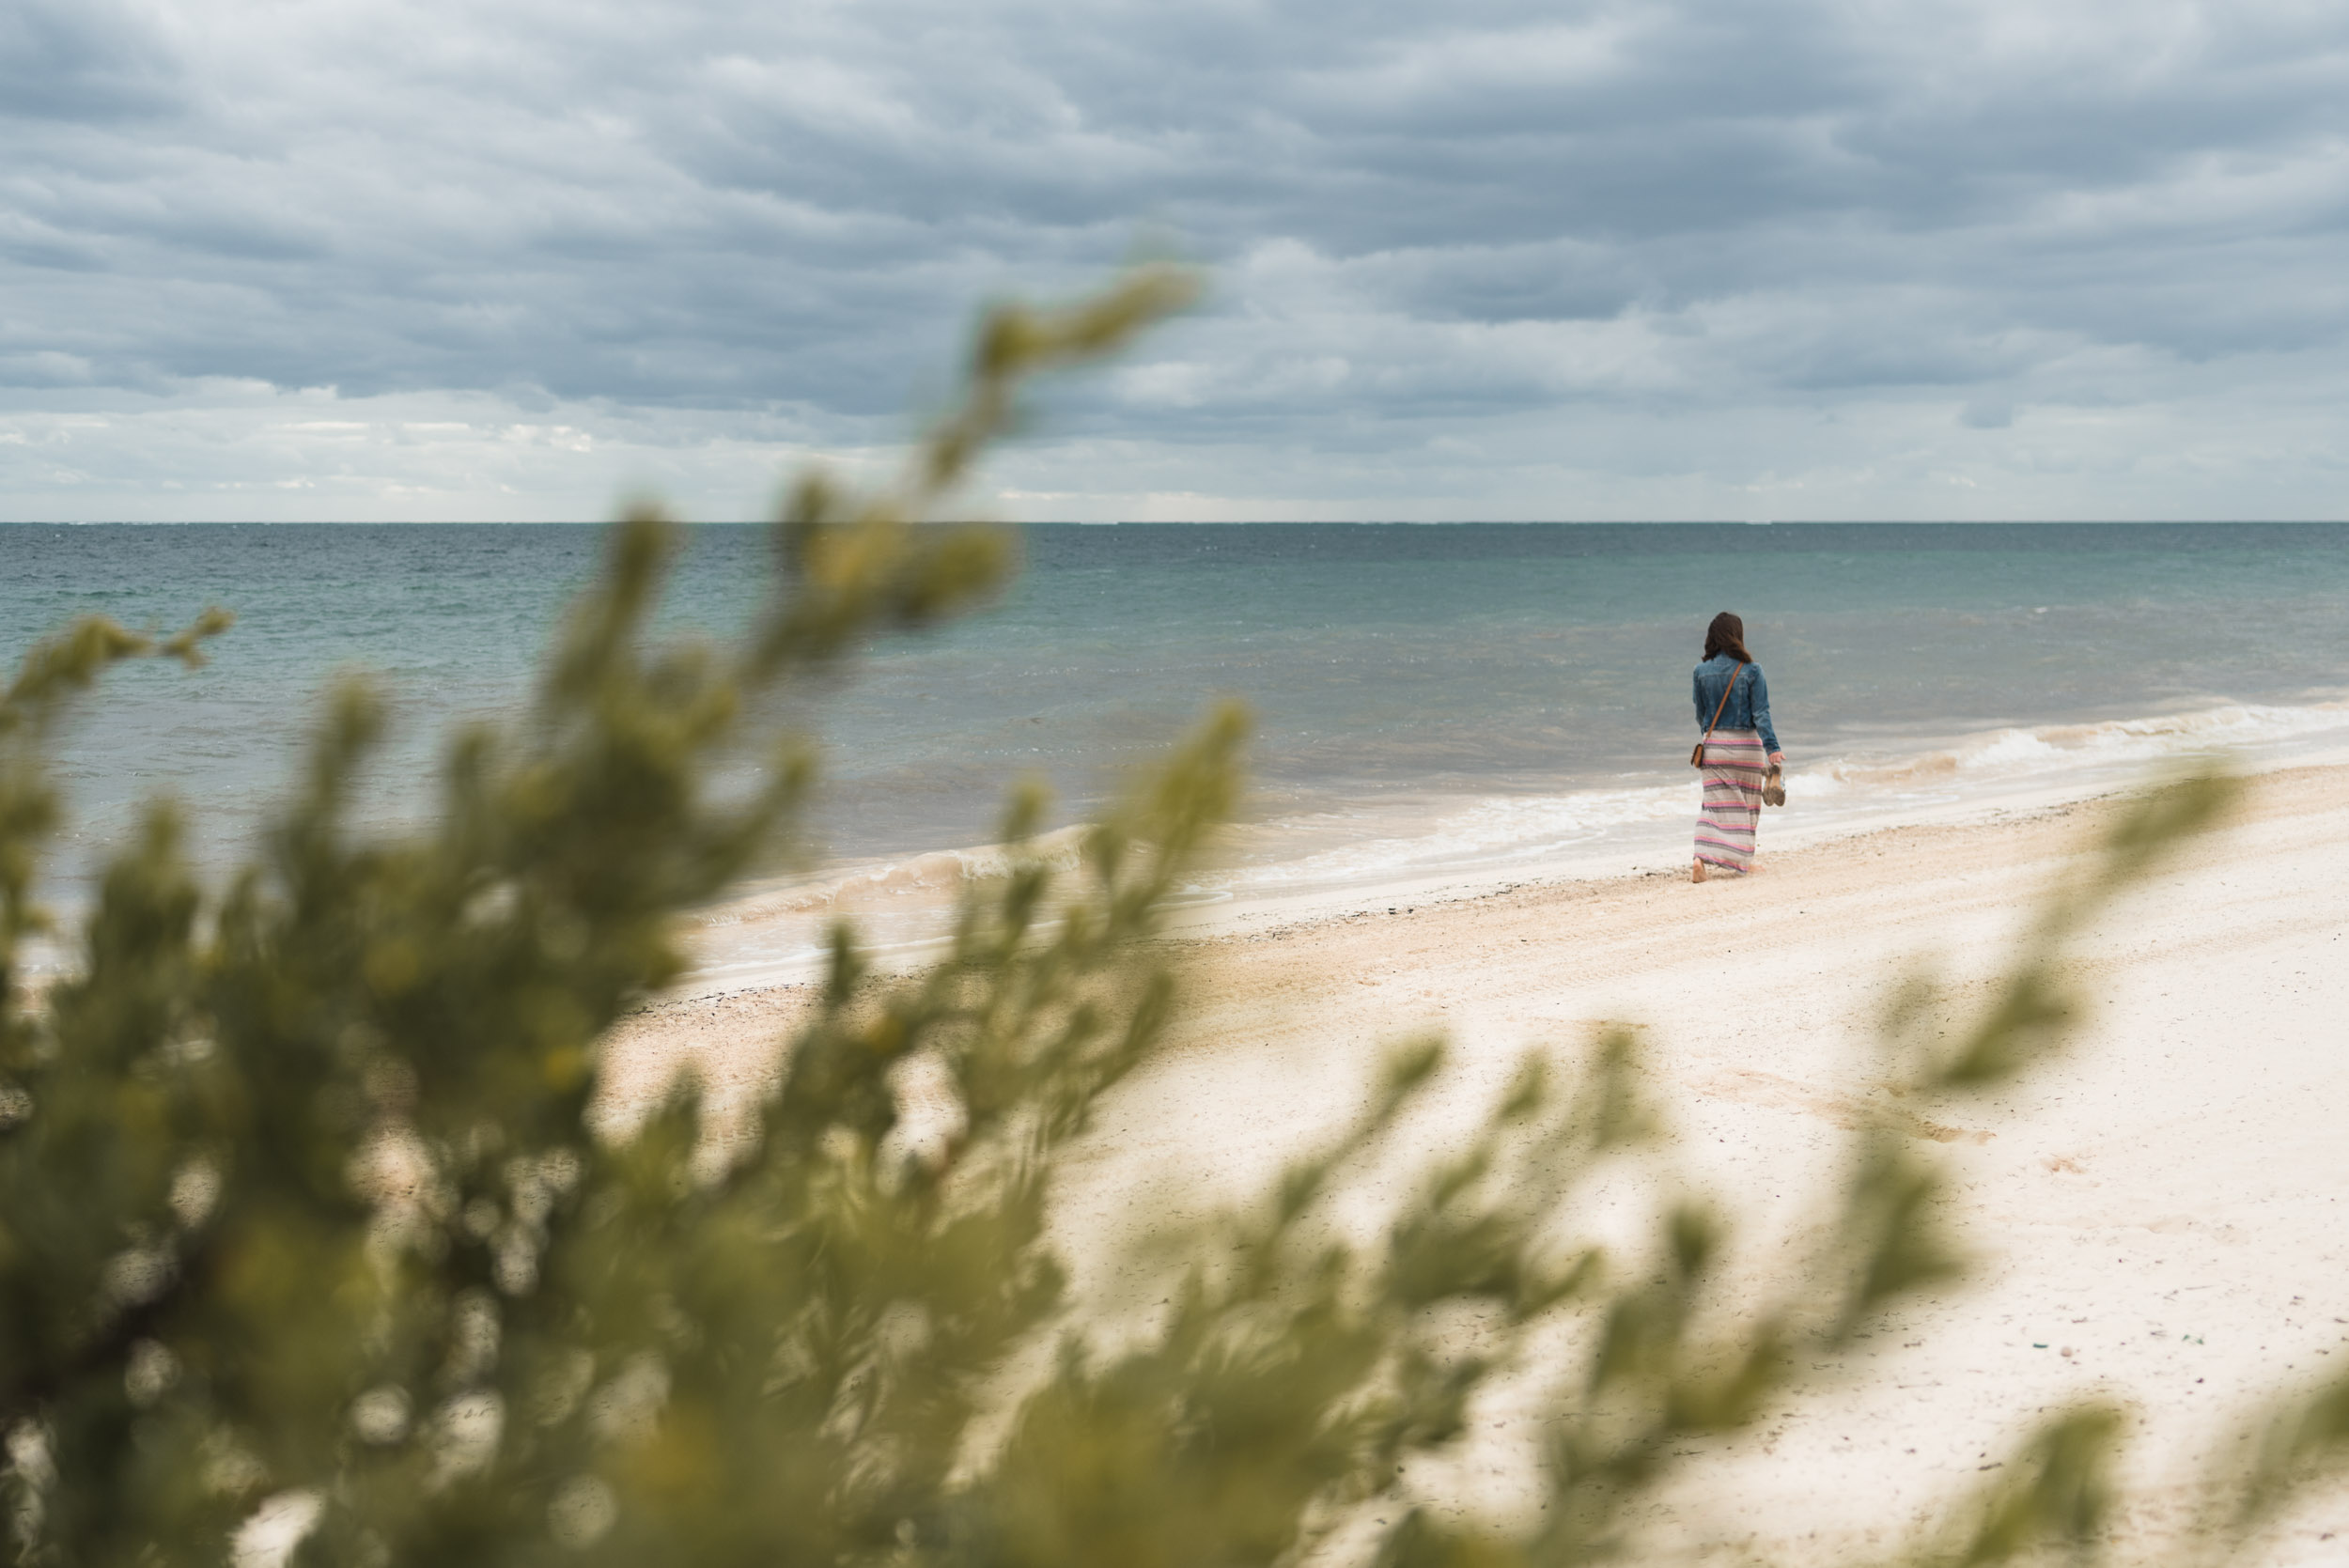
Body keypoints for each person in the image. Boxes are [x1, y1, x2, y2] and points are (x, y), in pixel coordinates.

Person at [1690, 611, 1784, 882]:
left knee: (1713, 806)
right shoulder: (1753, 670)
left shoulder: (1700, 671)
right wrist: (1773, 748)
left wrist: (1711, 734)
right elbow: (1761, 714)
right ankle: (1746, 860)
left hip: (1716, 746)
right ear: (1737, 635)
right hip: (1747, 748)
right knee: (1748, 805)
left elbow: (1701, 714)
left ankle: (1700, 858)